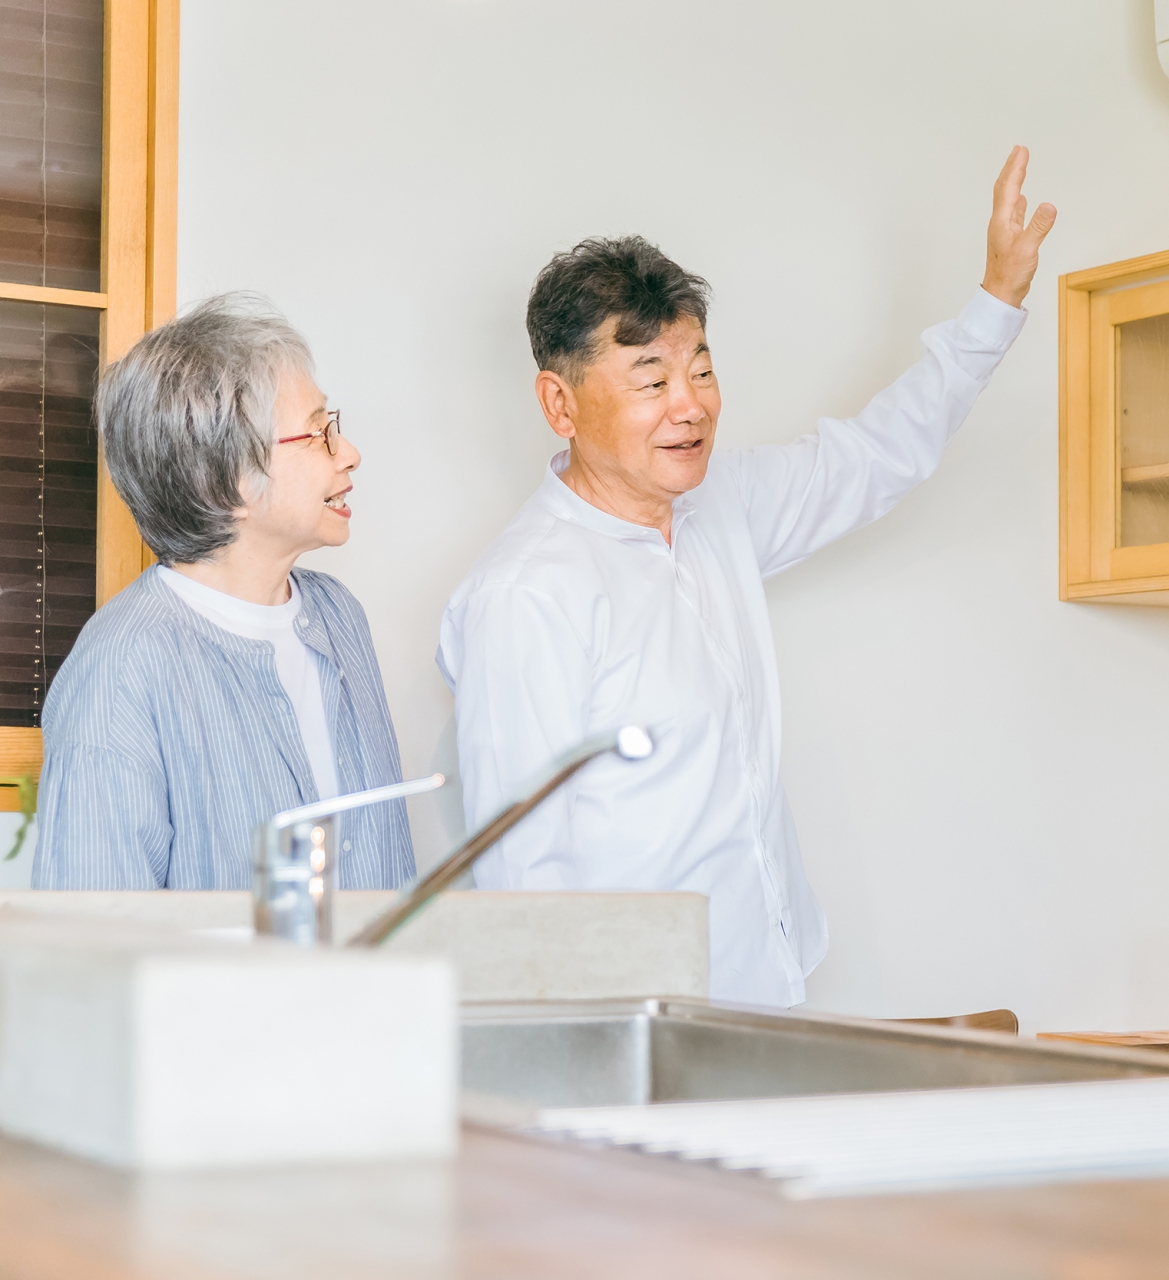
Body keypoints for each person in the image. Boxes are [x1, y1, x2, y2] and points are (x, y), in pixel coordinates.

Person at [438, 147, 1056, 1006]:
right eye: (651, 380)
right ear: (560, 404)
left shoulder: (718, 506)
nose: (689, 404)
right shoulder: (525, 595)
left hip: (769, 989)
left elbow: (875, 457)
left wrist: (995, 301)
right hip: (640, 1022)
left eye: (700, 370)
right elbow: (521, 878)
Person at [34, 295, 416, 890]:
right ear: (222, 480)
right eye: (318, 433)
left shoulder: (339, 616)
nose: (349, 453)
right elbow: (95, 932)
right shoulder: (120, 672)